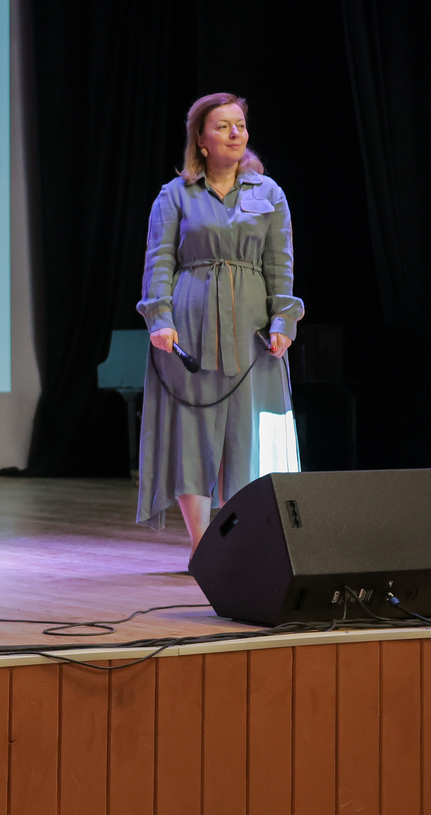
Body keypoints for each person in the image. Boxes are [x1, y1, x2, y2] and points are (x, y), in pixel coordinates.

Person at [137, 92, 303, 552]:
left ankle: (237, 541)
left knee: (245, 434)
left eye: (240, 126)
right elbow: (159, 260)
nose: (235, 133)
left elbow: (281, 263)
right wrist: (160, 318)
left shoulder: (269, 193)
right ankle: (203, 546)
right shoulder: (175, 195)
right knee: (193, 433)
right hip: (190, 327)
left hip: (251, 328)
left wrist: (283, 320)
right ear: (201, 140)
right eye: (223, 126)